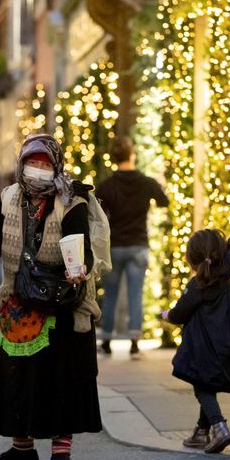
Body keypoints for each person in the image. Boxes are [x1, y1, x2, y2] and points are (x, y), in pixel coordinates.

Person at [0, 134, 101, 460]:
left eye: (45, 164)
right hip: (20, 302)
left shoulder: (72, 201)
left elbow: (82, 250)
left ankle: (61, 454)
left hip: (62, 302)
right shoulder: (9, 198)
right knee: (19, 377)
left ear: (57, 166)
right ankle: (21, 450)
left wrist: (78, 267)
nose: (38, 170)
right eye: (32, 163)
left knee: (60, 378)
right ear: (22, 164)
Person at [163, 229, 230, 454]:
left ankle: (219, 426)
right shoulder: (227, 281)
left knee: (202, 387)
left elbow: (181, 312)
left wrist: (168, 315)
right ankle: (201, 432)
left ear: (193, 259)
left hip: (205, 349)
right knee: (207, 383)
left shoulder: (199, 285)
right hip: (228, 348)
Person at [95, 135, 168, 358]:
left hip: (114, 246)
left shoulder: (107, 185)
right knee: (136, 293)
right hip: (138, 245)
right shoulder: (146, 182)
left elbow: (96, 212)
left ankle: (106, 339)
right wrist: (161, 183)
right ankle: (135, 343)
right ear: (132, 155)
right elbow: (164, 202)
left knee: (111, 294)